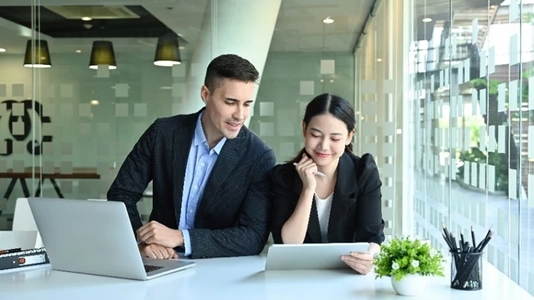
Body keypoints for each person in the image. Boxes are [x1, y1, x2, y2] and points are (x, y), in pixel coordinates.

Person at [107, 54, 276, 259]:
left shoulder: (258, 156)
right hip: (160, 263)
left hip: (220, 272)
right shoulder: (163, 133)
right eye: (231, 102)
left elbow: (253, 236)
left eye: (247, 104)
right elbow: (121, 194)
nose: (240, 115)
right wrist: (141, 242)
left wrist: (181, 238)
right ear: (205, 94)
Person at [269, 93, 385, 274]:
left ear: (349, 137)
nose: (323, 146)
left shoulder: (363, 172)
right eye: (316, 135)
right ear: (304, 129)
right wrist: (308, 189)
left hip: (348, 274)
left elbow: (372, 235)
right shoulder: (282, 177)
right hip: (298, 276)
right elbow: (288, 245)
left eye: (335, 138)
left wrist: (371, 257)